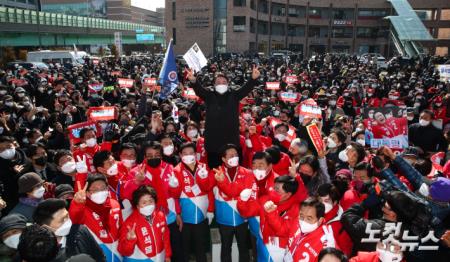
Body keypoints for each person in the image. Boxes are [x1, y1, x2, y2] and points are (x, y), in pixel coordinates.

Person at [187, 66, 260, 168]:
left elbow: (245, 89)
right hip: (213, 145)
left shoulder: (234, 95)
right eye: (218, 82)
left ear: (228, 84)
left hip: (232, 142)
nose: (221, 84)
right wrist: (194, 80)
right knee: (216, 173)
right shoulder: (209, 95)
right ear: (214, 84)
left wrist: (253, 79)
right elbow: (199, 90)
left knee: (233, 172)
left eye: (224, 82)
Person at [122, 141, 184, 262]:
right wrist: (136, 182)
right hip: (147, 222)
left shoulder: (169, 168)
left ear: (161, 155)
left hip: (169, 217)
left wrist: (177, 212)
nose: (153, 158)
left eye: (157, 154)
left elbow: (174, 196)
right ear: (144, 157)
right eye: (149, 155)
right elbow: (126, 194)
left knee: (176, 252)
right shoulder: (137, 171)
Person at [238, 175, 300, 262]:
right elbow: (247, 212)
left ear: (288, 194)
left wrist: (271, 213)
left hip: (280, 251)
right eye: (273, 188)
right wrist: (243, 200)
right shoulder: (265, 199)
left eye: (277, 190)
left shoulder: (296, 210)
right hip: (263, 243)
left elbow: (283, 231)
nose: (273, 191)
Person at [210, 144, 253, 262]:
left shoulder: (247, 173)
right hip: (224, 217)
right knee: (225, 247)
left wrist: (223, 182)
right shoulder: (216, 172)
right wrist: (210, 210)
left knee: (243, 247)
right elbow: (207, 189)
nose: (235, 157)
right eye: (231, 155)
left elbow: (234, 193)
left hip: (242, 217)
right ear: (224, 159)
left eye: (236, 154)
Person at [171, 142, 212, 262]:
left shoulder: (203, 167)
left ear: (195, 154)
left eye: (191, 153)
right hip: (185, 216)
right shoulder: (176, 170)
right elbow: (175, 196)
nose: (188, 156)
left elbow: (209, 189)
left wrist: (210, 210)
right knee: (185, 247)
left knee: (201, 245)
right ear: (180, 155)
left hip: (201, 215)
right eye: (185, 153)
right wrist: (178, 213)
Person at [69, 174, 122, 262]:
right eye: (95, 189)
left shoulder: (114, 204)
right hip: (98, 251)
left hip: (117, 251)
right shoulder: (83, 208)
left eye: (103, 188)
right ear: (87, 193)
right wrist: (77, 203)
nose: (100, 191)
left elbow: (120, 226)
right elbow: (74, 218)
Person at [33, 198, 105, 262]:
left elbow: (100, 257)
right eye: (62, 220)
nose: (67, 221)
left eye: (67, 216)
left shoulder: (81, 231)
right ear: (45, 228)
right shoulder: (41, 252)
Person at [118, 185, 171, 262]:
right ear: (137, 206)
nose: (148, 205)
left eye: (151, 201)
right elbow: (124, 252)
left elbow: (166, 237)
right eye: (144, 202)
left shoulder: (160, 215)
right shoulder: (130, 223)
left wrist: (167, 255)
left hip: (159, 258)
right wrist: (129, 240)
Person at [283, 197, 336, 261]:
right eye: (301, 216)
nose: (303, 221)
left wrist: (330, 257)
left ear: (320, 220)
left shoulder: (326, 241)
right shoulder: (297, 222)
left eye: (309, 218)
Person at [0, 136, 31, 214]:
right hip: (10, 201)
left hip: (30, 199)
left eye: (8, 146)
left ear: (14, 145)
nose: (5, 151)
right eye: (1, 149)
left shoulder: (26, 160)